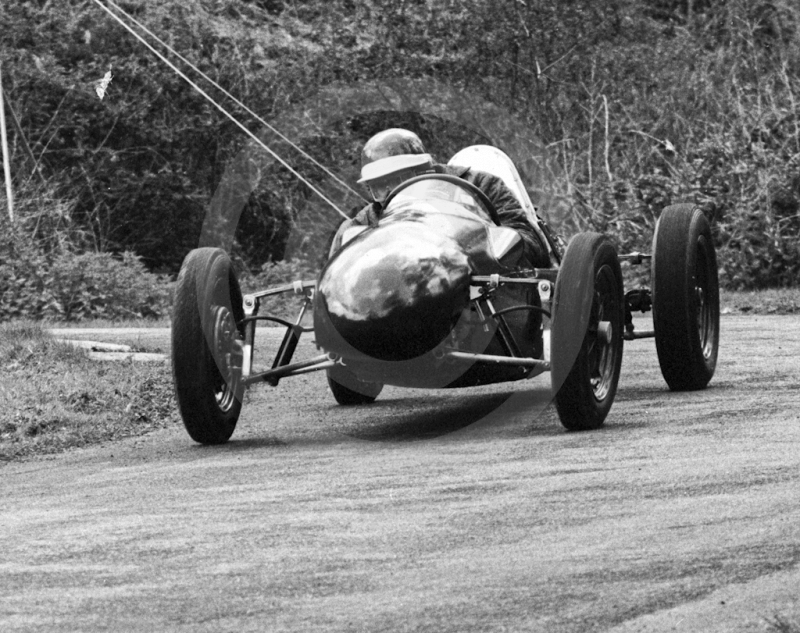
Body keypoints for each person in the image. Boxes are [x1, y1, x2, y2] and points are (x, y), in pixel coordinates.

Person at [331, 128, 551, 267]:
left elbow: (532, 248)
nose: (390, 192)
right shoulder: (372, 216)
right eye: (378, 186)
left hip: (484, 305)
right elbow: (341, 273)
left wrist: (481, 245)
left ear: (427, 169)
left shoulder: (482, 185)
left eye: (399, 179)